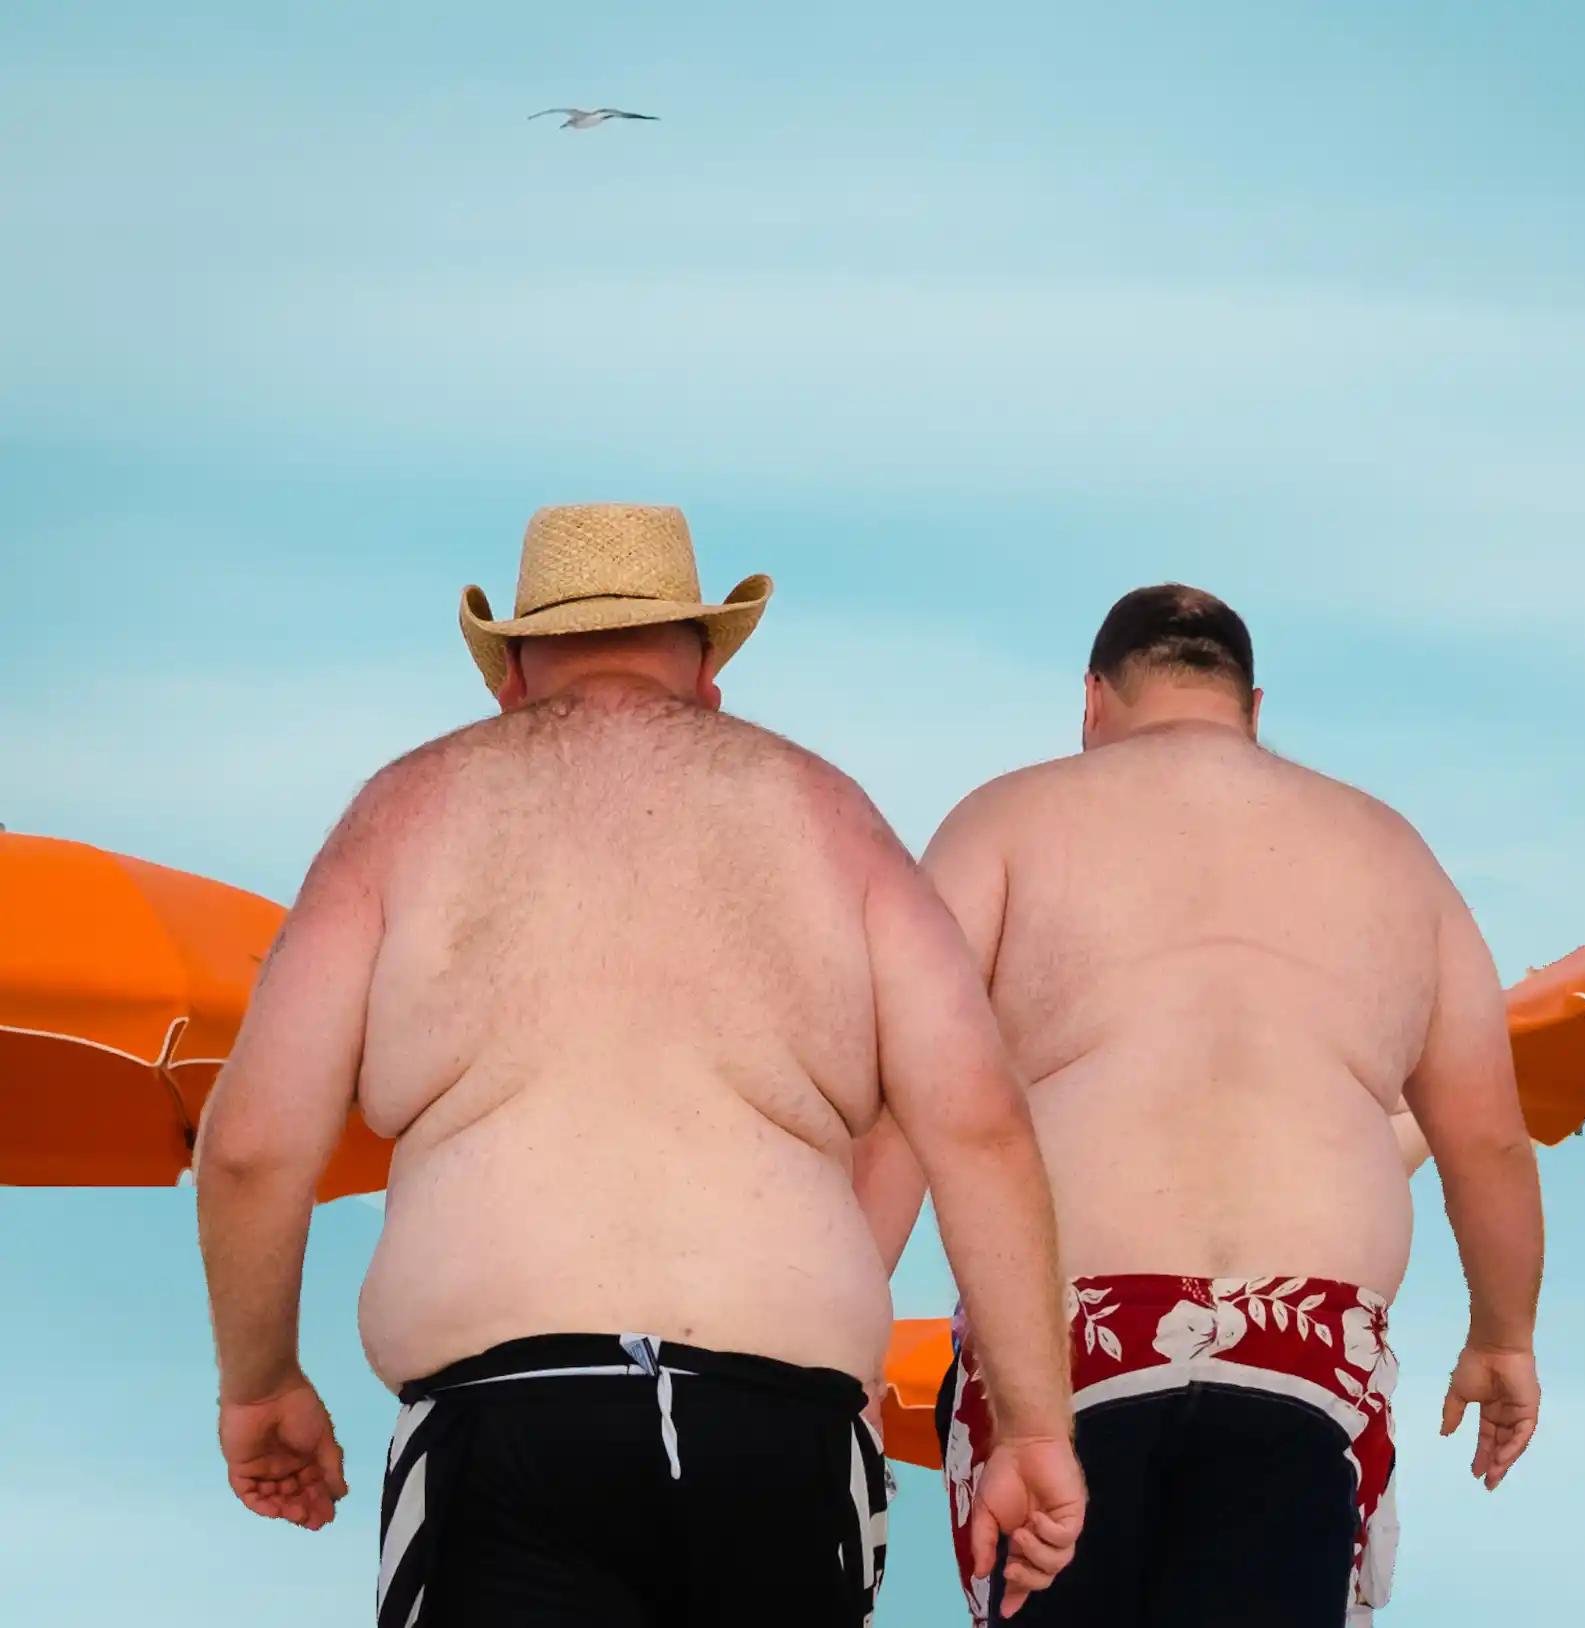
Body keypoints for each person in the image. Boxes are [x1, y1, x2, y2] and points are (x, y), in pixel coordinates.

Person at [195, 504, 1085, 1628]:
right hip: (781, 1429)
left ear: (508, 676)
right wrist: (1034, 1428)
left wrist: (262, 1385)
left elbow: (251, 1146)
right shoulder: (831, 816)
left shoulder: (403, 813)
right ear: (708, 672)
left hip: (504, 1422)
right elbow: (981, 1127)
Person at [856, 584, 1544, 1627]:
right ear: (1252, 708)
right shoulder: (1391, 850)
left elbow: (907, 1097)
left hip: (1068, 1350)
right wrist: (1503, 1335)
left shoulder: (1007, 817)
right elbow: (1487, 1139)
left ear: (1093, 701)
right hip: (1304, 1356)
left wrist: (842, 1339)